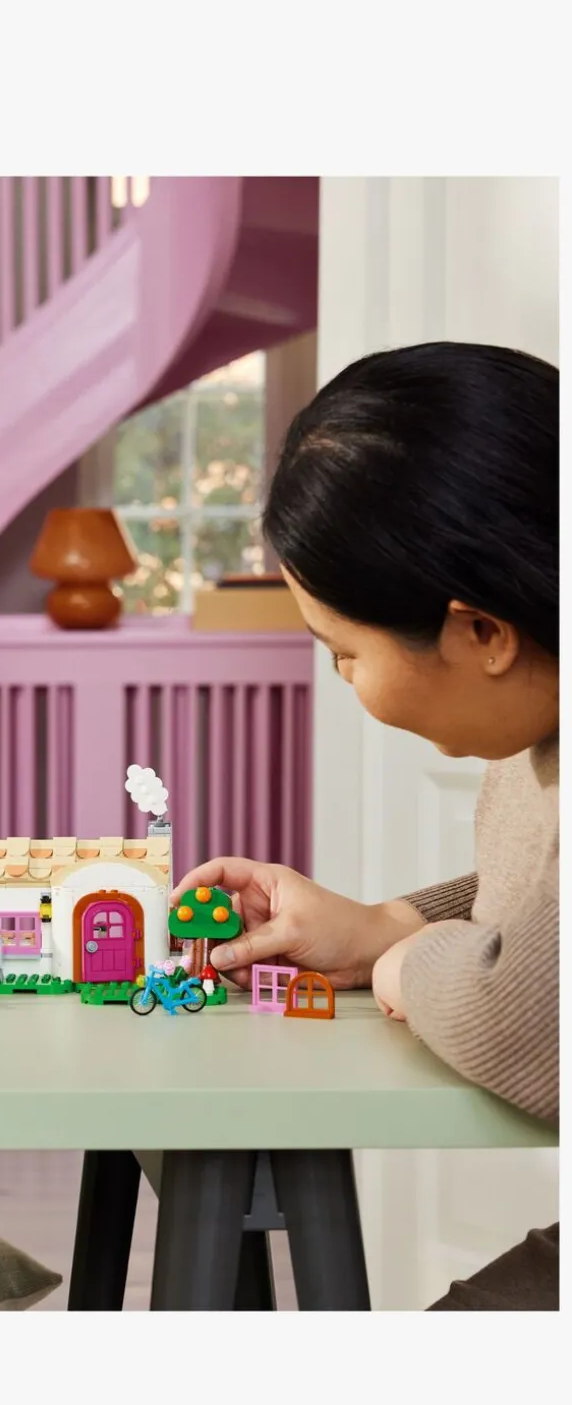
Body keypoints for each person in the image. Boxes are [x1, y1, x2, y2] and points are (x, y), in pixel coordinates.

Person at [175, 341, 558, 1310]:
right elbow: (539, 897)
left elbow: (518, 1017)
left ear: (481, 632)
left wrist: (402, 964)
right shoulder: (538, 732)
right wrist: (384, 922)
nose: (341, 678)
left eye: (343, 651)